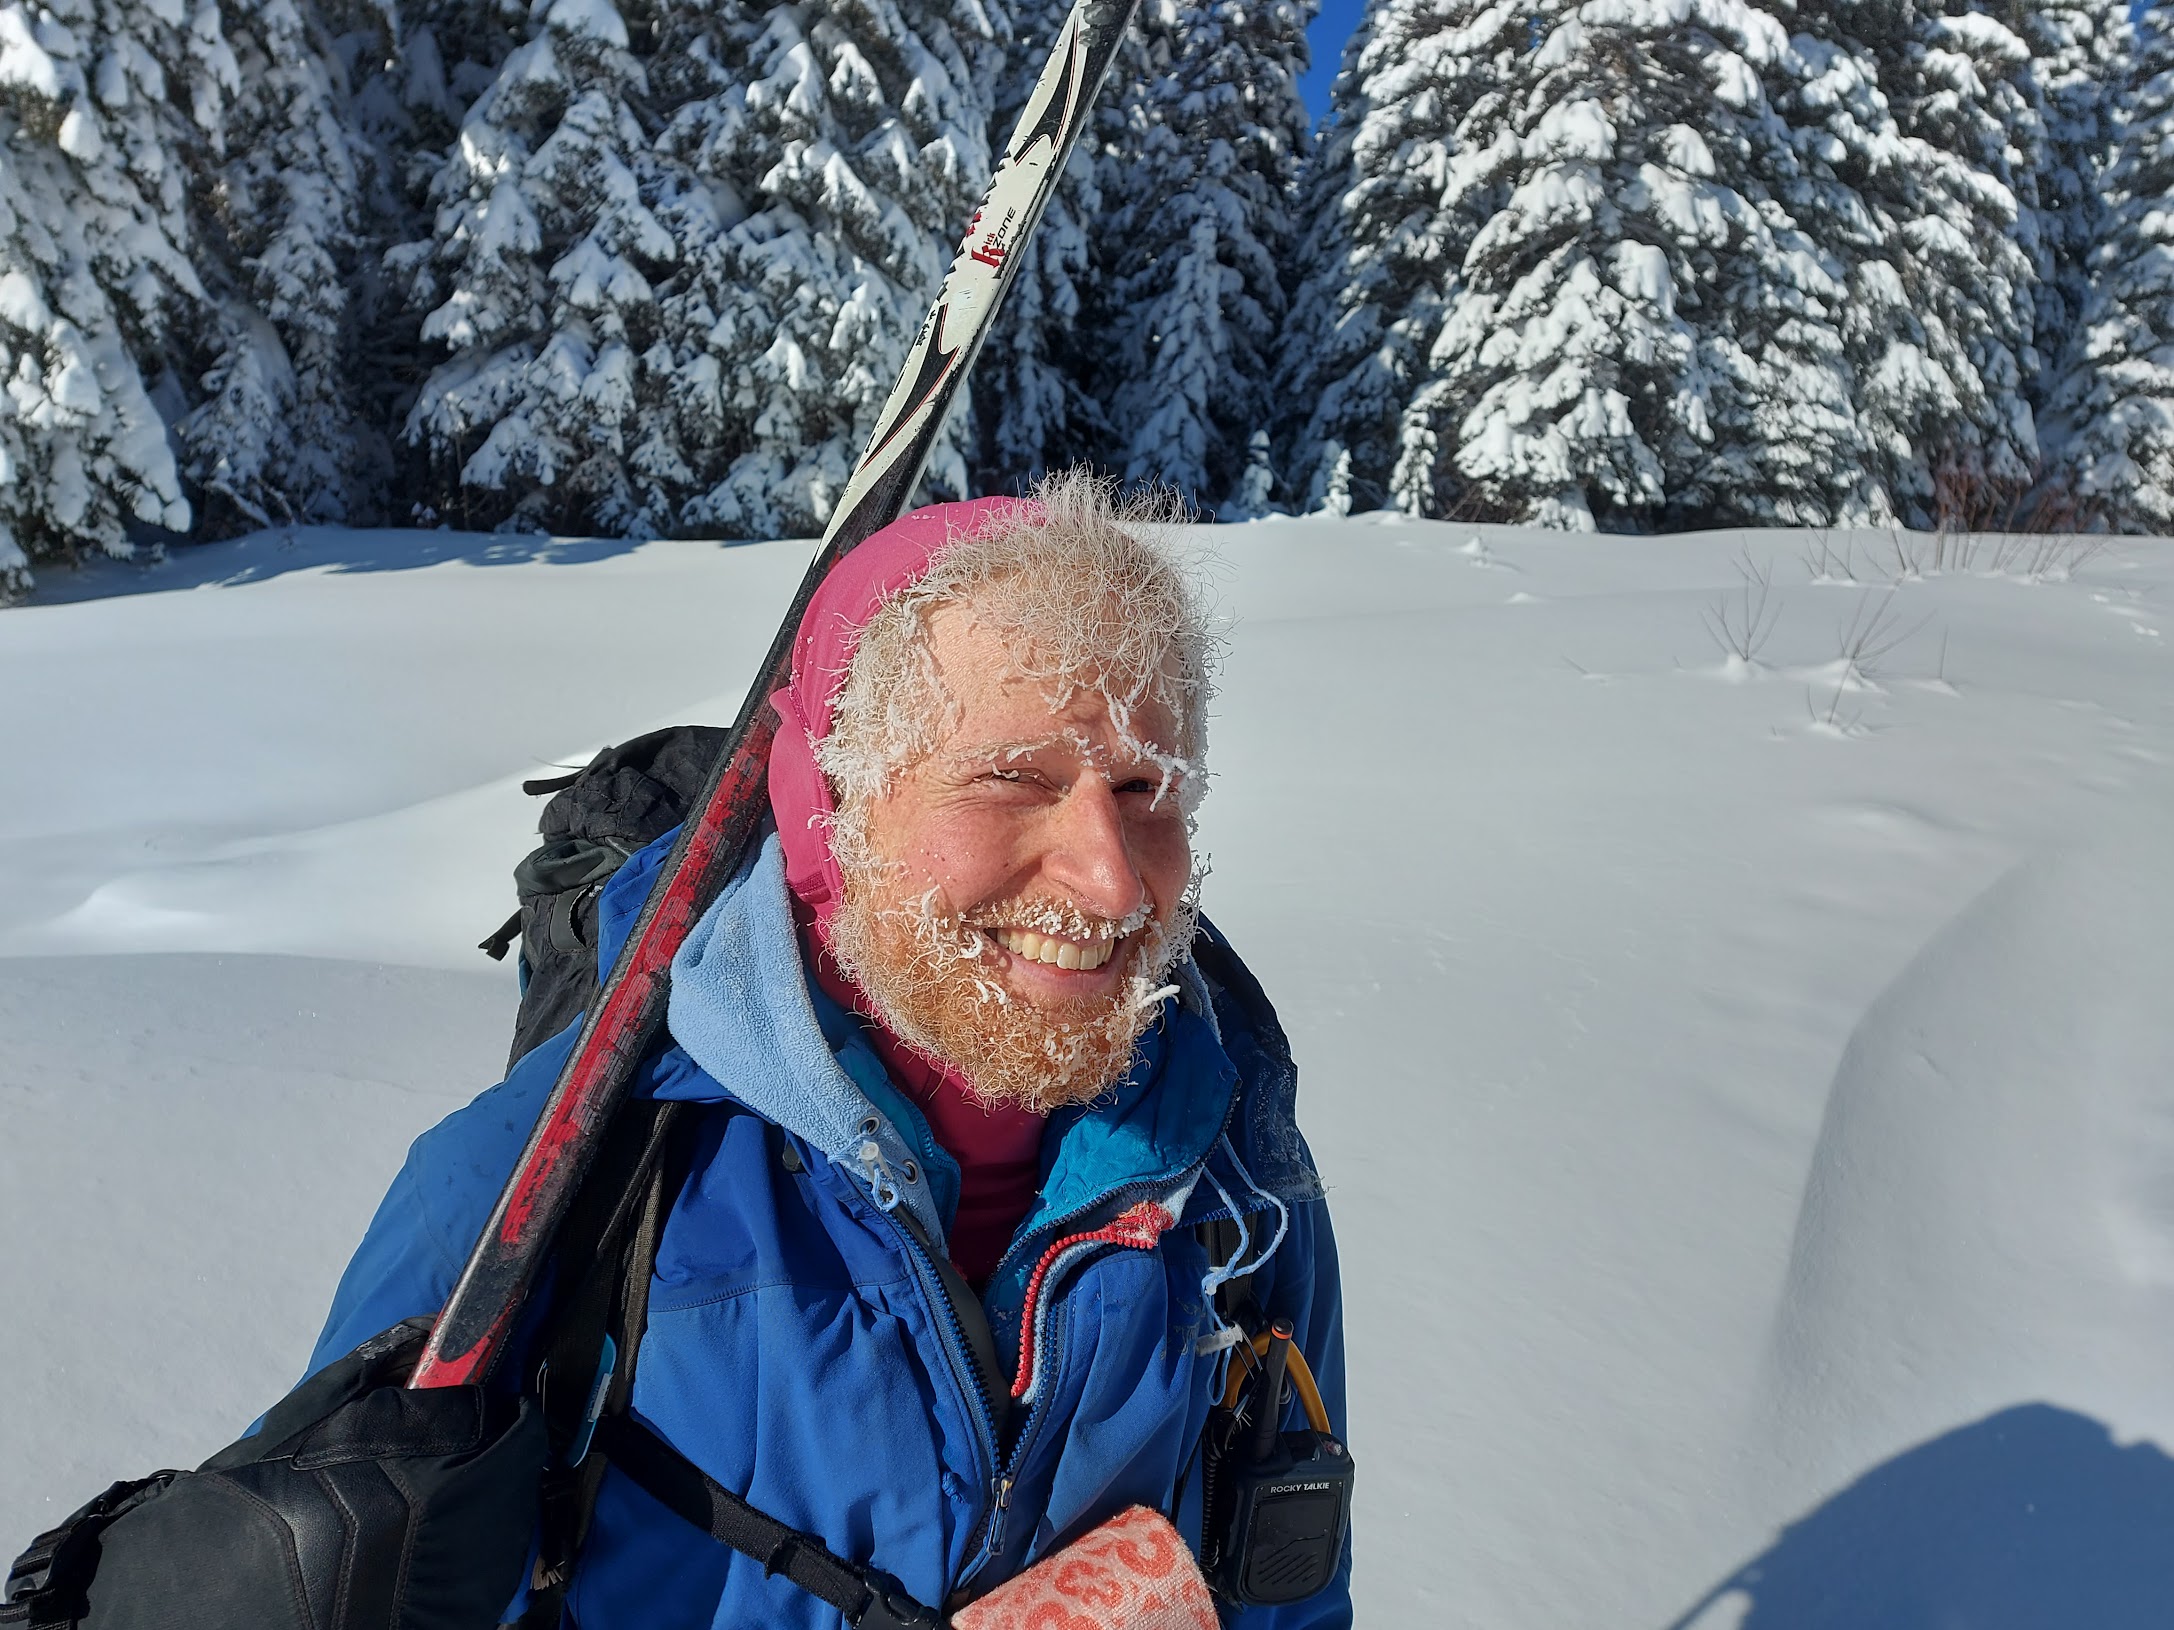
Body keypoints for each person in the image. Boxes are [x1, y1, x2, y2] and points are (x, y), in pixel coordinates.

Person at [307, 472, 1352, 1627]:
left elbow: (1285, 1595)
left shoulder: (1229, 1177)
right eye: (1012, 778)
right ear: (833, 808)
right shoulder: (538, 1191)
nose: (1110, 876)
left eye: (1144, 788)